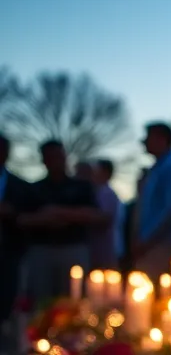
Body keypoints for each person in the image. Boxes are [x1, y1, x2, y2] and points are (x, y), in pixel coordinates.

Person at [20, 140, 101, 304]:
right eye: (51, 157)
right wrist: (43, 219)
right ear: (44, 160)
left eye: (59, 156)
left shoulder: (82, 187)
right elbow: (21, 219)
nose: (56, 161)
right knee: (41, 301)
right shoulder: (34, 189)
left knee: (74, 299)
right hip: (42, 250)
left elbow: (96, 215)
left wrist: (61, 213)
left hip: (73, 248)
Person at [133, 122, 171, 277]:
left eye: (148, 138)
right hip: (151, 244)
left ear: (162, 139)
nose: (144, 142)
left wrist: (147, 240)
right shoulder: (157, 169)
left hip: (163, 245)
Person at [0, 133, 29, 322]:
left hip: (8, 251)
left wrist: (12, 213)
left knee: (6, 298)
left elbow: (27, 214)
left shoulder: (19, 186)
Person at [89, 159, 120, 270]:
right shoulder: (97, 192)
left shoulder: (107, 193)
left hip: (104, 250)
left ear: (106, 173)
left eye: (96, 170)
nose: (93, 174)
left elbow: (104, 219)